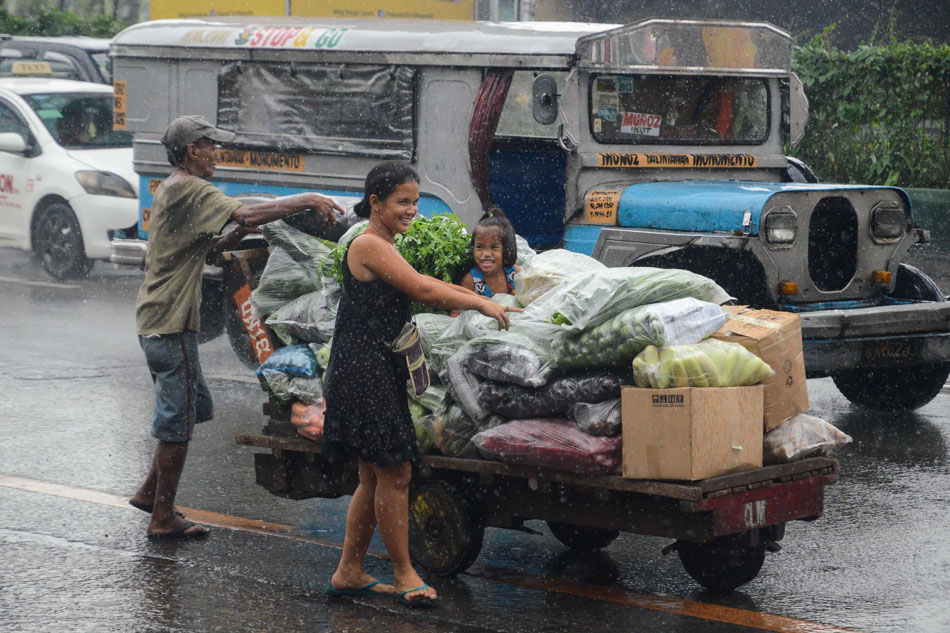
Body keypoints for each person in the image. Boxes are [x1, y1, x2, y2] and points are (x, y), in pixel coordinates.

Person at [130, 114, 344, 540]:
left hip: (159, 321)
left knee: (189, 411)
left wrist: (229, 241)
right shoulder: (190, 186)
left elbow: (204, 248)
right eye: (211, 146)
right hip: (169, 325)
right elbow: (247, 211)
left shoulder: (174, 188)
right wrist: (305, 198)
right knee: (177, 422)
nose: (217, 154)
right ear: (192, 151)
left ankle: (149, 492)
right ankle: (163, 516)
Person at [322, 161, 519, 607]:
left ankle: (349, 571)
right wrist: (482, 307)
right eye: (402, 202)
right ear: (375, 203)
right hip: (364, 372)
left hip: (372, 367)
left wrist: (481, 299)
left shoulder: (385, 243)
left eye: (414, 201)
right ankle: (404, 573)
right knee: (395, 472)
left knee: (374, 476)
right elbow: (422, 290)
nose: (412, 210)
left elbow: (425, 280)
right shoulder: (368, 244)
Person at [458, 207, 520, 298]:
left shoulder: (514, 273)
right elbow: (457, 311)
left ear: (506, 249)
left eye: (494, 247)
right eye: (479, 247)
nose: (486, 254)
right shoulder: (471, 281)